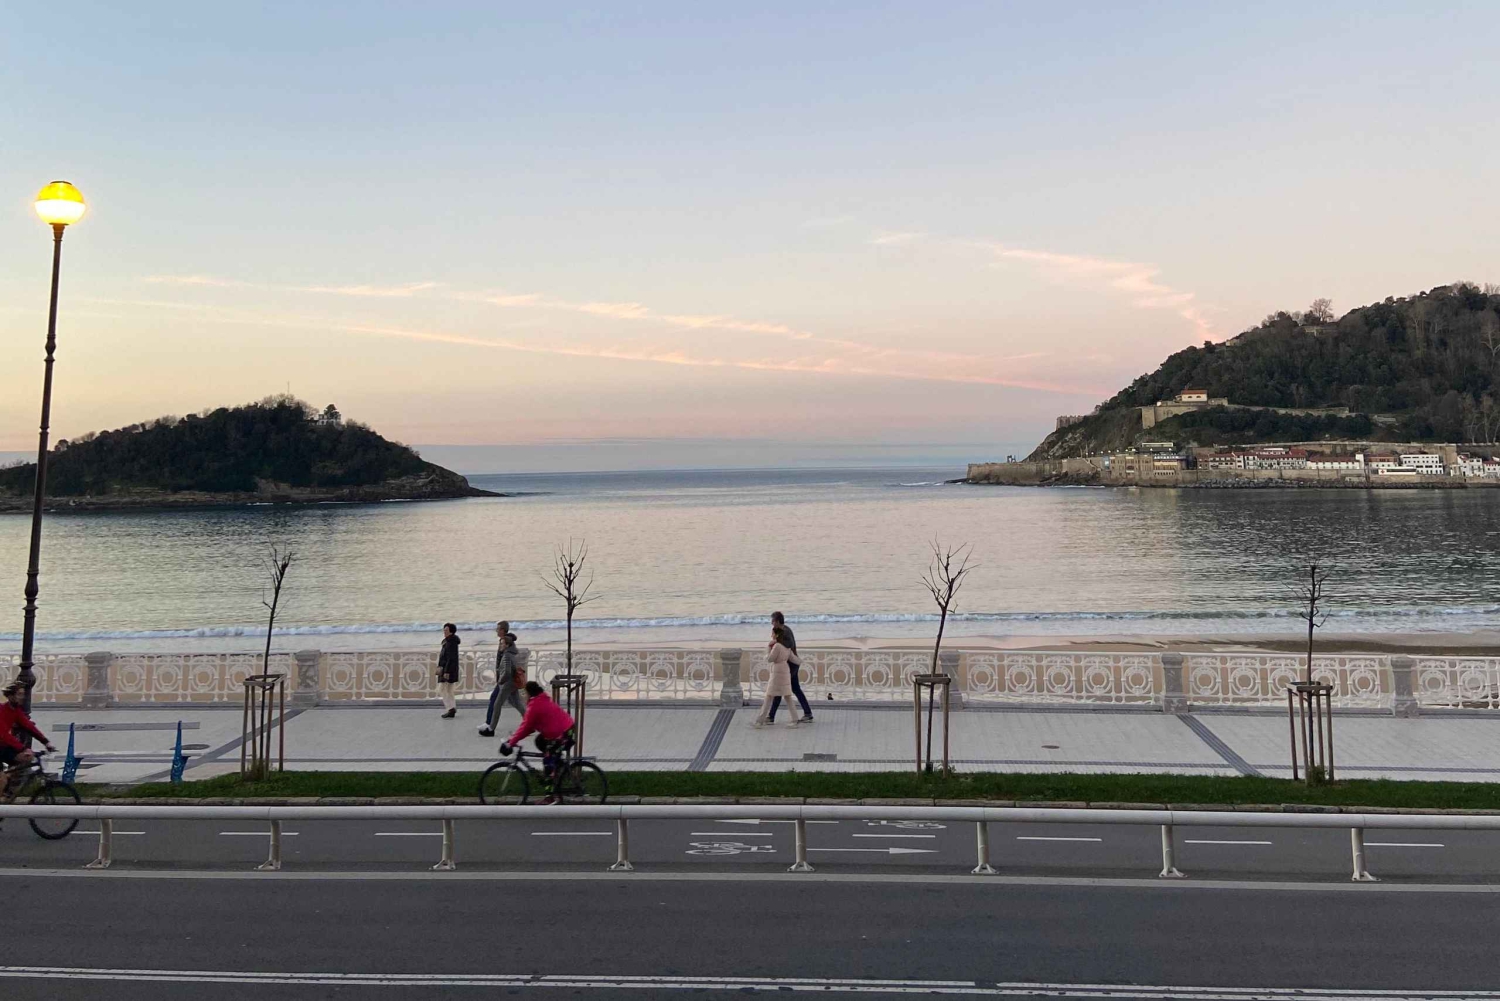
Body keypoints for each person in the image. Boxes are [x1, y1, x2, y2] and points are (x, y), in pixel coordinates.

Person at [500, 681, 575, 804]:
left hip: (564, 734)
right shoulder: (540, 700)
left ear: (529, 693)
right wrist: (513, 739)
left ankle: (550, 798)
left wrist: (510, 743)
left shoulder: (535, 705)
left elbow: (525, 727)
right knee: (539, 741)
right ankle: (559, 769)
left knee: (548, 761)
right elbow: (529, 728)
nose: (524, 696)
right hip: (564, 730)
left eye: (524, 694)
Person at [1, 680, 55, 805]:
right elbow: (3, 735)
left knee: (27, 758)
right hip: (1, 744)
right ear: (10, 696)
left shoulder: (16, 711)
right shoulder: (2, 710)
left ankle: (9, 792)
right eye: (19, 694)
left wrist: (46, 742)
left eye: (23, 694)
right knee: (1, 780)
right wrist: (22, 748)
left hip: (2, 747)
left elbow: (29, 726)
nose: (22, 697)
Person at [766, 611, 813, 725]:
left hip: (791, 664)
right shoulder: (781, 630)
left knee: (779, 688)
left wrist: (775, 642)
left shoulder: (785, 631)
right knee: (795, 689)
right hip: (791, 663)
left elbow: (789, 644)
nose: (772, 623)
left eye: (773, 621)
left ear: (777, 621)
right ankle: (808, 713)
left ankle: (771, 717)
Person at [479, 622, 524, 737]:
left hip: (506, 682)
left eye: (498, 629)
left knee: (497, 702)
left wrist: (500, 680)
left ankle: (490, 727)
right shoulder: (508, 646)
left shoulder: (507, 651)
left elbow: (507, 669)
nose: (496, 631)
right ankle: (530, 722)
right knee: (516, 702)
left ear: (503, 630)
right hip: (509, 680)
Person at [753, 624, 801, 728]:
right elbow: (794, 659)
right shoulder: (787, 647)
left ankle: (759, 721)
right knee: (787, 696)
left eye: (773, 633)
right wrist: (801, 662)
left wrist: (768, 648)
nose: (771, 635)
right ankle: (795, 720)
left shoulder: (777, 646)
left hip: (777, 673)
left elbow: (770, 659)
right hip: (785, 671)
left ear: (777, 635)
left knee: (769, 696)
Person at [436, 623, 461, 719]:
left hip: (448, 669)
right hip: (447, 668)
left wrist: (446, 671)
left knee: (442, 689)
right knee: (449, 689)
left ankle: (451, 708)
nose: (444, 632)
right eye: (444, 630)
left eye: (446, 630)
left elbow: (451, 658)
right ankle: (452, 708)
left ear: (451, 631)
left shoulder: (451, 642)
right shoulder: (448, 641)